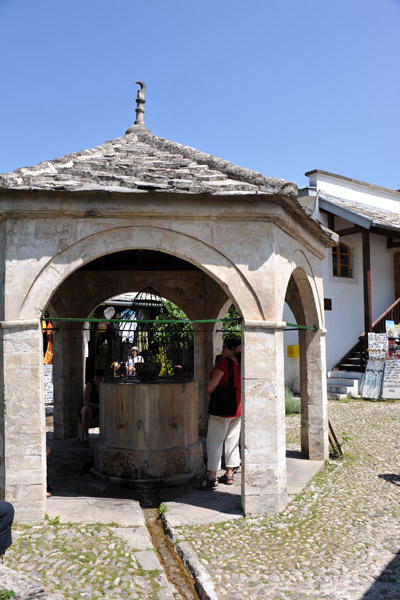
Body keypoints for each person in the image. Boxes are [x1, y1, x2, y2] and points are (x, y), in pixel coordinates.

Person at [198, 337, 241, 490]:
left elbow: (214, 382)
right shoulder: (241, 363)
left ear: (231, 349)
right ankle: (229, 474)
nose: (222, 351)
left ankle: (211, 477)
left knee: (215, 441)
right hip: (237, 408)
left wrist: (208, 392)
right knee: (232, 441)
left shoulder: (224, 362)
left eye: (225, 348)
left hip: (222, 408)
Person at [80, 368, 105, 447]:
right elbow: (85, 402)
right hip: (90, 407)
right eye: (98, 379)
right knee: (86, 410)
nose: (99, 381)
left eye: (101, 379)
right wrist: (98, 406)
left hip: (100, 408)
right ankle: (85, 437)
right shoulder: (90, 385)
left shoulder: (104, 386)